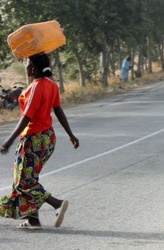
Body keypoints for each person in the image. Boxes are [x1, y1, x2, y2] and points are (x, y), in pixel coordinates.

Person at [0, 53, 79, 230]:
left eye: (28, 64)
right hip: (47, 138)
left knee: (23, 182)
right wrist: (70, 134)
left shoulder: (36, 87)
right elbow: (58, 111)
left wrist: (9, 140)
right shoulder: (51, 85)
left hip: (33, 139)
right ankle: (33, 220)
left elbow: (27, 117)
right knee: (29, 178)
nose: (26, 67)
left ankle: (57, 203)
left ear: (34, 68)